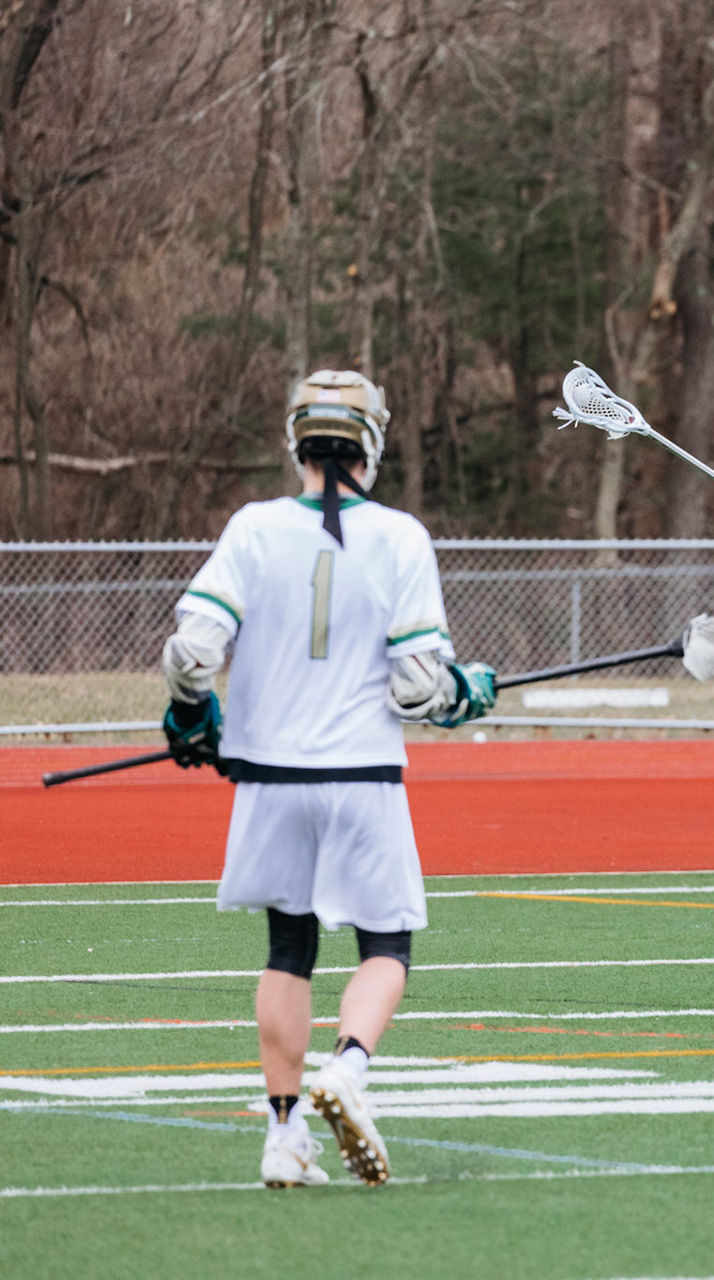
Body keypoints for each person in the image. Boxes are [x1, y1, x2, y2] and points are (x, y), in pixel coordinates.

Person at [160, 370, 495, 1188]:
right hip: (362, 777)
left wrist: (191, 713)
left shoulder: (254, 527)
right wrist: (462, 693)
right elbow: (417, 687)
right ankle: (347, 1068)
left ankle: (283, 1137)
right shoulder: (400, 536)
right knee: (386, 943)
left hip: (270, 779)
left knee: (288, 947)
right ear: (371, 444)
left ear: (297, 441)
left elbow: (193, 651)